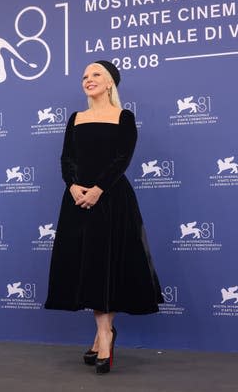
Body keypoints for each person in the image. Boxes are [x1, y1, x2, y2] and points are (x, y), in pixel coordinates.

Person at [44, 60, 163, 374]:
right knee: (89, 266)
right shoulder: (76, 118)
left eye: (96, 74)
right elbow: (66, 158)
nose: (88, 79)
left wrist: (98, 189)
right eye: (84, 76)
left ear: (111, 82)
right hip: (77, 201)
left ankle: (104, 336)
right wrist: (73, 186)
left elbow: (122, 158)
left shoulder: (124, 117)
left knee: (106, 265)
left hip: (111, 201)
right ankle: (104, 333)